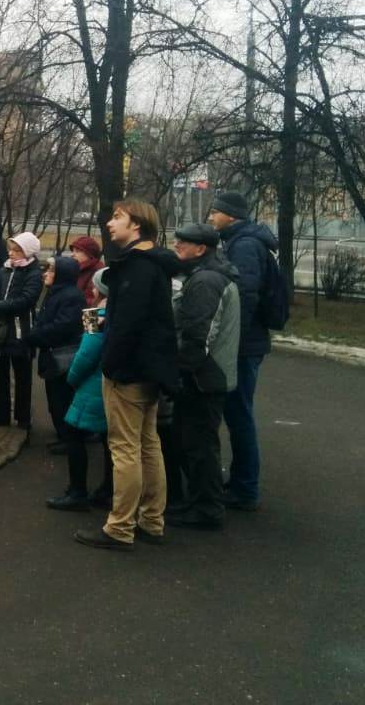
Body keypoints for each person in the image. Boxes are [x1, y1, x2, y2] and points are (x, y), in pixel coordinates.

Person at [74, 199, 178, 551]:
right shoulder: (156, 264)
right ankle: (152, 520)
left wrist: (111, 365)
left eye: (117, 217)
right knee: (149, 444)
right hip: (150, 370)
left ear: (136, 225)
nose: (109, 223)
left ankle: (119, 528)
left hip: (129, 372)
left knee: (125, 449)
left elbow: (130, 326)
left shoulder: (136, 267)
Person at [168, 222, 241, 530]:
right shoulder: (206, 275)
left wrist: (179, 372)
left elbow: (199, 335)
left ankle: (207, 509)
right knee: (193, 442)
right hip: (207, 375)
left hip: (204, 378)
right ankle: (198, 501)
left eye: (182, 244)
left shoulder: (206, 281)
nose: (176, 247)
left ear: (201, 249)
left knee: (200, 446)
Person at [207, 190, 276, 512]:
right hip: (245, 342)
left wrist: (229, 340)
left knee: (239, 415)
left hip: (243, 345)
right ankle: (239, 482)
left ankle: (245, 488)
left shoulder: (245, 245)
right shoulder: (240, 240)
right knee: (237, 414)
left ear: (230, 215)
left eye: (215, 212)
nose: (210, 216)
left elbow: (244, 296)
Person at [48, 267, 114, 511]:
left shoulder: (95, 314)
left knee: (74, 435)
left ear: (100, 290)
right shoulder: (121, 313)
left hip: (91, 387)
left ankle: (77, 492)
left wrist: (72, 379)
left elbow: (86, 354)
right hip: (109, 386)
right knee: (110, 441)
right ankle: (108, 490)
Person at [0, 231, 43, 431]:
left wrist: (0, 306)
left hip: (20, 330)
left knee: (22, 376)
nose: (11, 253)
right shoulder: (5, 270)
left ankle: (23, 418)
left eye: (17, 250)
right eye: (11, 249)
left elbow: (27, 299)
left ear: (27, 252)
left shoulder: (34, 273)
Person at [25, 256, 85, 450]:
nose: (45, 274)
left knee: (62, 399)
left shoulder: (71, 296)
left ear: (61, 275)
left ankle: (69, 439)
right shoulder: (55, 293)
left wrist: (35, 336)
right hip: (52, 355)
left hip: (63, 357)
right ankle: (63, 435)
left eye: (51, 270)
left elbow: (62, 326)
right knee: (55, 399)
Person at [68, 235, 104, 306]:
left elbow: (95, 301)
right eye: (73, 251)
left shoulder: (98, 272)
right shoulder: (77, 269)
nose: (72, 255)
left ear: (89, 254)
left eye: (77, 251)